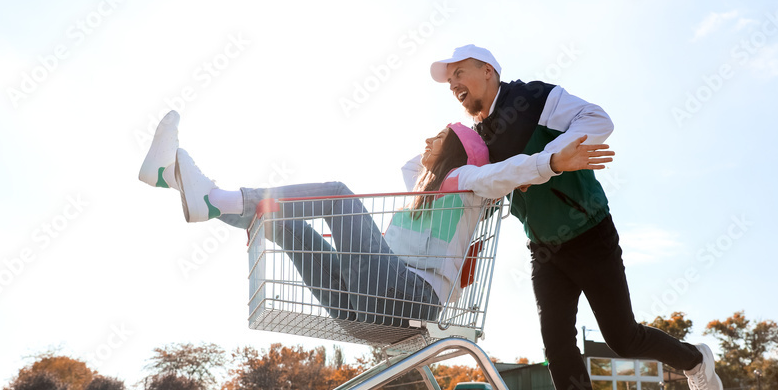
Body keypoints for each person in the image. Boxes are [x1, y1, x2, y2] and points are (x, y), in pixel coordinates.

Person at [430, 45, 724, 390]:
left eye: (459, 73)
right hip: (543, 247)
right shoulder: (482, 134)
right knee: (557, 344)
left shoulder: (532, 99)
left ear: (488, 71)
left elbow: (598, 119)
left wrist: (559, 156)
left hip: (589, 231)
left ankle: (694, 360)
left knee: (622, 338)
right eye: (448, 79)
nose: (453, 83)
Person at [139, 110, 613, 326]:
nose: (426, 141)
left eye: (436, 136)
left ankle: (216, 196)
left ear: (456, 152)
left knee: (337, 195)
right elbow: (415, 165)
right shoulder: (419, 190)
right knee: (285, 225)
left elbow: (505, 171)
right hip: (366, 302)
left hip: (410, 297)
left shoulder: (470, 182)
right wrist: (443, 144)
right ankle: (175, 181)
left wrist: (548, 162)